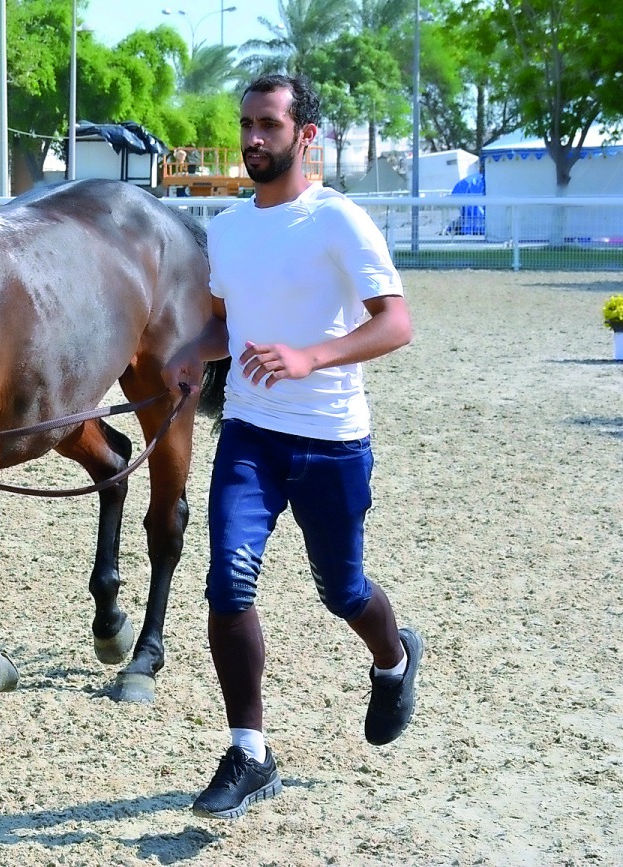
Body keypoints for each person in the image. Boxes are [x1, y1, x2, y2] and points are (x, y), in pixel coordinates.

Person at [163, 73, 423, 820]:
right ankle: (250, 751)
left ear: (305, 136)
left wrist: (310, 356)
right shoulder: (228, 226)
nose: (252, 138)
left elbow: (396, 322)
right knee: (228, 582)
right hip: (249, 435)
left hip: (332, 441)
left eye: (269, 125)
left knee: (343, 590)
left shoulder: (338, 221)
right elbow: (225, 324)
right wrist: (194, 351)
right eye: (246, 123)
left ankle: (394, 656)